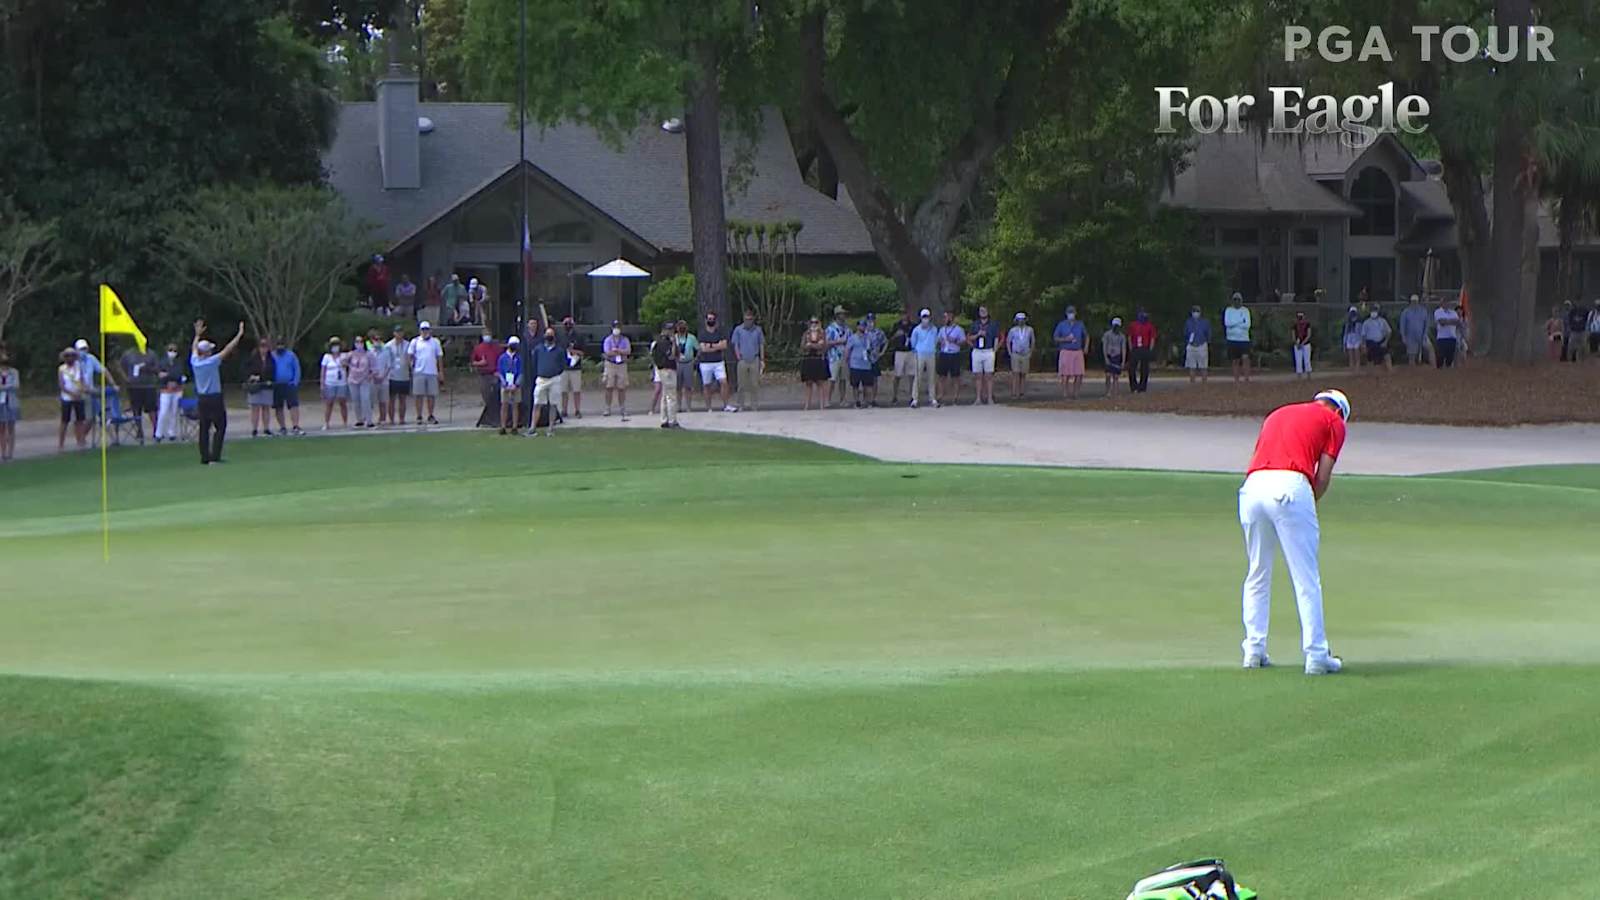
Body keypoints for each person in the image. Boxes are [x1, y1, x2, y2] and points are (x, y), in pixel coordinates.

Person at [1238, 389, 1351, 675]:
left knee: (1257, 572)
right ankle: (1316, 655)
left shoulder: (1279, 412)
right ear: (1339, 411)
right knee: (1306, 577)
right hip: (1290, 484)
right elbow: (1322, 476)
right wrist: (1307, 505)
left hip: (1252, 488)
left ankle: (1253, 650)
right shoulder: (1334, 421)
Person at [191, 319, 245, 465]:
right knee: (220, 426)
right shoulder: (211, 361)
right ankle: (215, 456)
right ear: (207, 352)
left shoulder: (195, 362)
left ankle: (205, 457)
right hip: (214, 398)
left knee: (204, 428)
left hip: (202, 398)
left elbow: (194, 349)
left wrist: (197, 335)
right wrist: (239, 335)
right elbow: (227, 349)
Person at [117, 340, 161, 442]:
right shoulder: (128, 354)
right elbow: (120, 367)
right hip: (134, 386)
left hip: (149, 385)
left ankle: (156, 430)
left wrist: (148, 368)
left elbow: (157, 368)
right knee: (136, 409)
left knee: (152, 409)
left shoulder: (151, 354)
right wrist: (125, 378)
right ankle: (139, 430)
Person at [528, 326, 565, 437]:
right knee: (537, 404)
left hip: (554, 379)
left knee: (553, 405)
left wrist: (554, 372)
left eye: (551, 334)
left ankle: (551, 429)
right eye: (547, 334)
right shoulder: (538, 349)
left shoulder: (559, 350)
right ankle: (532, 428)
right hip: (541, 379)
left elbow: (562, 365)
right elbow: (534, 363)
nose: (549, 336)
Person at [409, 321, 444, 425]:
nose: (425, 332)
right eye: (423, 330)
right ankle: (419, 415)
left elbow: (439, 357)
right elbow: (410, 355)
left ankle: (430, 414)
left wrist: (440, 371)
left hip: (432, 371)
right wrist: (411, 367)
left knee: (431, 395)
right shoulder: (415, 341)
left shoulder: (435, 342)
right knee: (418, 395)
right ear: (420, 331)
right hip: (419, 371)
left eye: (426, 329)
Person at [698, 312, 733, 412]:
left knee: (724, 382)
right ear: (705, 320)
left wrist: (710, 346)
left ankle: (726, 405)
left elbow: (724, 345)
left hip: (718, 362)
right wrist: (716, 346)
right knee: (706, 385)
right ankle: (708, 407)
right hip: (705, 363)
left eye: (712, 319)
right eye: (709, 319)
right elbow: (703, 349)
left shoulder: (720, 332)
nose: (711, 321)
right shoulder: (702, 333)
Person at [732, 308, 765, 411]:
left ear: (753, 319)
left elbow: (761, 344)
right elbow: (735, 344)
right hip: (742, 359)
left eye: (750, 319)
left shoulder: (758, 330)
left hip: (754, 358)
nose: (748, 321)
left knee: (754, 384)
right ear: (744, 319)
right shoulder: (738, 329)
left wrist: (762, 359)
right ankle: (741, 405)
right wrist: (738, 357)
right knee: (741, 384)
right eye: (746, 319)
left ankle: (754, 405)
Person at [650, 321, 683, 428]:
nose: (671, 332)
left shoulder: (657, 342)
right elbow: (672, 356)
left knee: (665, 395)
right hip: (668, 369)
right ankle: (672, 420)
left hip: (661, 369)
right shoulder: (665, 343)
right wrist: (674, 343)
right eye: (669, 330)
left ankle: (664, 419)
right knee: (671, 396)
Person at [1052, 307, 1087, 399]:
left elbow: (1086, 336)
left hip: (1077, 351)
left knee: (1079, 374)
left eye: (1073, 312)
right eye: (1069, 312)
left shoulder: (1080, 324)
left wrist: (1086, 347)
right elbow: (1055, 338)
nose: (1071, 314)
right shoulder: (1061, 325)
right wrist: (1065, 339)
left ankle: (1076, 393)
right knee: (1065, 374)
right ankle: (1065, 393)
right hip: (1066, 351)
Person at [270, 340, 304, 436]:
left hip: (290, 384)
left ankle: (295, 426)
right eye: (278, 344)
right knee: (278, 407)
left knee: (293, 405)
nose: (280, 347)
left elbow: (297, 368)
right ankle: (282, 427)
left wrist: (295, 382)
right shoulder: (272, 355)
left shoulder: (291, 355)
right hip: (276, 385)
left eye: (282, 344)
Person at [907, 308, 939, 408]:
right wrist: (917, 349)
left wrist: (932, 348)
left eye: (927, 317)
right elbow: (913, 342)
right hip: (919, 354)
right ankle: (915, 399)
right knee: (918, 376)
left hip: (931, 353)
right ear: (921, 318)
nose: (926, 319)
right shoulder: (916, 330)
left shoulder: (934, 329)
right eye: (924, 317)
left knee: (931, 377)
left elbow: (936, 341)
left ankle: (932, 398)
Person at [968, 306, 1000, 405]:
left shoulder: (993, 324)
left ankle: (990, 398)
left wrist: (994, 350)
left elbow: (996, 338)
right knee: (978, 376)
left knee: (989, 375)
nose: (983, 312)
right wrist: (978, 335)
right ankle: (978, 398)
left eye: (984, 310)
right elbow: (969, 337)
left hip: (988, 351)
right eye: (981, 311)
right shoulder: (975, 324)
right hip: (978, 350)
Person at [58, 348, 89, 451]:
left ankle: (80, 441)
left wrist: (81, 391)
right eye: (67, 356)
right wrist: (71, 393)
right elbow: (62, 385)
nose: (69, 358)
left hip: (79, 397)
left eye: (71, 355)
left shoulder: (79, 367)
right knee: (64, 421)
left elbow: (82, 380)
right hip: (67, 398)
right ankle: (61, 444)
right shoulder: (62, 369)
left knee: (80, 420)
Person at [470, 330, 502, 428]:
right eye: (485, 335)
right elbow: (472, 362)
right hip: (484, 376)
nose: (487, 336)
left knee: (497, 397)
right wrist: (480, 363)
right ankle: (490, 418)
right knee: (487, 397)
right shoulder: (478, 348)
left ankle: (497, 418)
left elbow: (501, 360)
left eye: (488, 334)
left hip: (495, 375)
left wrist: (499, 371)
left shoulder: (497, 348)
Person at [244, 337, 275, 437]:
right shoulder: (253, 358)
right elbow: (246, 369)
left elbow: (273, 370)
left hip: (267, 386)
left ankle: (266, 428)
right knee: (255, 408)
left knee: (266, 408)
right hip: (255, 386)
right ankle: (254, 429)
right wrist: (251, 376)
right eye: (262, 347)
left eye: (265, 347)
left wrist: (271, 380)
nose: (263, 349)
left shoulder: (271, 359)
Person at [155, 343, 186, 443]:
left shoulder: (179, 362)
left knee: (174, 412)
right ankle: (158, 434)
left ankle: (171, 432)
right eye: (170, 350)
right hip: (165, 390)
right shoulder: (162, 362)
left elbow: (179, 374)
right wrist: (170, 376)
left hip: (177, 390)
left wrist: (168, 375)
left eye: (174, 351)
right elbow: (160, 375)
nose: (172, 352)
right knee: (163, 411)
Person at [601, 320, 631, 418]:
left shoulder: (625, 339)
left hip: (621, 365)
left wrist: (618, 351)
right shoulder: (608, 340)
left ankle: (622, 408)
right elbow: (607, 352)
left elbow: (628, 351)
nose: (617, 329)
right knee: (609, 387)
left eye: (618, 327)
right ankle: (607, 408)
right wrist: (619, 352)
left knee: (621, 388)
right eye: (615, 327)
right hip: (611, 364)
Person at [846, 318, 878, 408]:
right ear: (857, 326)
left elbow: (873, 349)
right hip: (855, 364)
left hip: (866, 364)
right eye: (861, 325)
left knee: (868, 385)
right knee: (855, 385)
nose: (862, 327)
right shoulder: (852, 338)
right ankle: (857, 401)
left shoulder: (869, 338)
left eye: (864, 325)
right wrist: (847, 361)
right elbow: (847, 350)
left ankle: (868, 401)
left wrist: (874, 356)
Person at [346, 333, 376, 428]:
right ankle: (359, 419)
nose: (359, 343)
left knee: (366, 399)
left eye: (361, 342)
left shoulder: (369, 354)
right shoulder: (351, 354)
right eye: (357, 342)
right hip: (353, 380)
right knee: (356, 400)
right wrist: (348, 365)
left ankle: (369, 420)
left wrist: (370, 376)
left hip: (365, 380)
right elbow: (342, 361)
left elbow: (374, 368)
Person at [558, 317, 586, 419]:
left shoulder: (579, 336)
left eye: (569, 324)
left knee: (576, 390)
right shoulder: (560, 337)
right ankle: (564, 410)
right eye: (566, 324)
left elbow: (583, 352)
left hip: (576, 367)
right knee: (563, 391)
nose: (567, 326)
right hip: (564, 367)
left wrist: (574, 351)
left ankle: (577, 410)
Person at [384, 325, 412, 425]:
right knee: (391, 399)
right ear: (394, 333)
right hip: (392, 375)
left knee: (403, 399)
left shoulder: (408, 345)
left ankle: (402, 419)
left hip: (404, 375)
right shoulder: (388, 346)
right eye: (397, 332)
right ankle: (391, 419)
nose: (399, 334)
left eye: (401, 332)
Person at [799, 316, 829, 410]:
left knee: (820, 382)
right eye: (812, 322)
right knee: (808, 382)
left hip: (819, 358)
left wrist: (811, 345)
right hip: (808, 358)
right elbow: (802, 347)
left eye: (816, 322)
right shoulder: (806, 334)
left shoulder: (822, 333)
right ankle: (807, 405)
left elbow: (823, 346)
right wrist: (814, 346)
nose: (814, 324)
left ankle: (821, 405)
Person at [319, 337, 350, 429]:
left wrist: (345, 363)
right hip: (330, 382)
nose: (335, 347)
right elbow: (323, 371)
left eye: (337, 345)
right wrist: (322, 383)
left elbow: (350, 364)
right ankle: (326, 423)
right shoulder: (326, 357)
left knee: (342, 402)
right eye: (333, 345)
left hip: (342, 382)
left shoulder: (344, 356)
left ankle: (345, 423)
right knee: (329, 403)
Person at [936, 310, 965, 405]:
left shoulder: (959, 329)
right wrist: (940, 342)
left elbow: (963, 341)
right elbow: (938, 340)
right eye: (944, 317)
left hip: (954, 354)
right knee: (941, 376)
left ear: (951, 318)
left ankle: (955, 397)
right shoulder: (942, 329)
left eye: (946, 317)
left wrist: (955, 341)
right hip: (944, 353)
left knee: (955, 377)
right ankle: (940, 396)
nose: (945, 319)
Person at [888, 309, 916, 404]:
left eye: (905, 313)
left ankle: (912, 396)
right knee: (897, 375)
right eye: (902, 314)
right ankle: (895, 395)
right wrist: (896, 335)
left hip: (910, 351)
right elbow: (890, 339)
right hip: (899, 351)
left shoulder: (913, 326)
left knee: (912, 375)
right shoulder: (897, 326)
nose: (904, 316)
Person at [1126, 308, 1158, 393]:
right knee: (1132, 368)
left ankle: (1142, 387)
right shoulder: (1133, 325)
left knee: (1144, 369)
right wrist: (1131, 348)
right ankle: (1134, 387)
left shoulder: (1149, 326)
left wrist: (1150, 349)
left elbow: (1152, 338)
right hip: (1135, 348)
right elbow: (1129, 337)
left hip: (1145, 348)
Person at [496, 336, 523, 434]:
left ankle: (514, 426)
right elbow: (499, 372)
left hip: (515, 385)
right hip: (505, 385)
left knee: (515, 405)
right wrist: (505, 384)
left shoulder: (519, 358)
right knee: (504, 405)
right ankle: (503, 426)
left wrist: (516, 384)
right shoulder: (502, 357)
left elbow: (521, 372)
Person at [1223, 293, 1252, 383]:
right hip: (1232, 339)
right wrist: (1240, 321)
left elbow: (1247, 325)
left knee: (1245, 358)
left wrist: (1234, 323)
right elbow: (1227, 323)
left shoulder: (1245, 311)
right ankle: (1236, 379)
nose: (1237, 302)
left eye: (1238, 300)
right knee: (1235, 360)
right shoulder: (1228, 310)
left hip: (1244, 339)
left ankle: (1246, 378)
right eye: (1235, 300)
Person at [825, 306, 850, 407]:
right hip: (833, 357)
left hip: (844, 357)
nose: (844, 316)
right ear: (837, 315)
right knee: (832, 379)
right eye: (842, 314)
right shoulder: (831, 328)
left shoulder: (847, 329)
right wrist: (838, 342)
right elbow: (826, 342)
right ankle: (827, 400)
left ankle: (842, 399)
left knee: (843, 379)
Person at [1006, 312, 1034, 399]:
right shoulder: (1013, 330)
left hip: (1025, 354)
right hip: (1016, 353)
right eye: (1019, 320)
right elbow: (1008, 341)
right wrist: (1010, 352)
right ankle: (1014, 393)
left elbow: (1032, 341)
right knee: (1015, 373)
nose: (1021, 321)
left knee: (1023, 374)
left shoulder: (1030, 329)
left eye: (1023, 320)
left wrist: (1030, 352)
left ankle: (1022, 393)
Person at [366, 330, 391, 427]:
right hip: (372, 379)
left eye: (379, 339)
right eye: (376, 339)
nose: (378, 341)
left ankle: (383, 419)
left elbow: (388, 366)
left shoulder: (386, 350)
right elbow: (367, 366)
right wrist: (374, 376)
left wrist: (382, 376)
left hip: (384, 380)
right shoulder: (369, 352)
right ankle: (369, 419)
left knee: (383, 401)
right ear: (372, 340)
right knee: (371, 401)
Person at [673, 320, 699, 414]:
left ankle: (689, 406)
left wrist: (695, 359)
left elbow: (698, 349)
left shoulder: (691, 338)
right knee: (678, 387)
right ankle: (678, 406)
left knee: (688, 386)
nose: (681, 328)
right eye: (679, 326)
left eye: (683, 326)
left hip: (688, 363)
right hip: (677, 363)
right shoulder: (674, 338)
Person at [1359, 307, 1393, 373]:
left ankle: (1390, 372)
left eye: (1374, 311)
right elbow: (1363, 335)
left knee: (1387, 355)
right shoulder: (1366, 322)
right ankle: (1369, 374)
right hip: (1371, 342)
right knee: (1370, 358)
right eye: (1372, 311)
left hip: (1381, 341)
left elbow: (1389, 332)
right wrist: (1363, 345)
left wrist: (1385, 342)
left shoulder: (1383, 321)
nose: (1373, 313)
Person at [1182, 306, 1210, 383]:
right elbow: (1185, 334)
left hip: (1202, 345)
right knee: (1192, 367)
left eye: (1197, 311)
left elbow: (1208, 334)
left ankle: (1204, 384)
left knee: (1203, 367)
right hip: (1191, 346)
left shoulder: (1205, 322)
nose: (1196, 313)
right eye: (1194, 311)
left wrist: (1206, 342)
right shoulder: (1188, 322)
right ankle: (1192, 385)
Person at [1399, 294, 1431, 365]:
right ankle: (1412, 372)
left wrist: (1425, 334)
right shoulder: (1405, 312)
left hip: (1422, 336)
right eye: (1413, 301)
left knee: (1429, 350)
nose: (1414, 303)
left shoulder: (1423, 311)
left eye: (1416, 301)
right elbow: (1402, 326)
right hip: (1410, 337)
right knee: (1412, 355)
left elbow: (1427, 324)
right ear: (1410, 302)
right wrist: (1403, 337)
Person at [1101, 318, 1127, 397]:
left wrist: (1123, 361)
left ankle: (1115, 392)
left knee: (1116, 376)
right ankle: (1107, 391)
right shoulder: (1107, 335)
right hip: (1109, 355)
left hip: (1117, 356)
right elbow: (1104, 346)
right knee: (1108, 375)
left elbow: (1123, 348)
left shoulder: (1122, 336)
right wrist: (1106, 358)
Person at [1433, 302, 1463, 369]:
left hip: (1452, 338)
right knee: (1440, 358)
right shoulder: (1438, 311)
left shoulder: (1453, 312)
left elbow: (1458, 322)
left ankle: (1448, 375)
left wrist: (1447, 321)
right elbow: (1441, 322)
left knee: (1450, 358)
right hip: (1441, 338)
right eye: (1445, 302)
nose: (1447, 304)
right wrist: (1452, 321)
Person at [0, 349, 16, 461]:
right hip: (1, 401)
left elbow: (15, 385)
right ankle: (3, 452)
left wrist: (4, 386)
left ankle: (10, 452)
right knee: (1, 427)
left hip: (11, 401)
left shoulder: (14, 372)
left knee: (11, 427)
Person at [1291, 311, 1314, 379]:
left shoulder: (1307, 324)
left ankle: (1308, 375)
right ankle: (1299, 376)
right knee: (1298, 360)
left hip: (1306, 344)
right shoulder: (1295, 325)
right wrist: (1296, 343)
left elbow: (1308, 335)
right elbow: (1293, 335)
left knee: (1307, 360)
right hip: (1297, 345)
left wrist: (1303, 343)